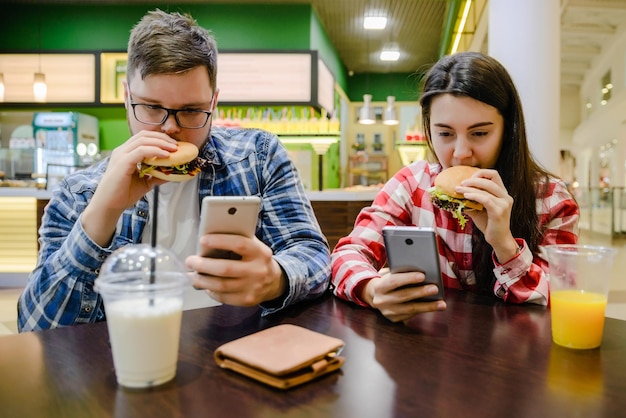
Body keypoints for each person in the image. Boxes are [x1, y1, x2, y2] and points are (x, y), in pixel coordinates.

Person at [18, 9, 331, 332]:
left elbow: (314, 255)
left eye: (192, 110)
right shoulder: (78, 192)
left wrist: (276, 278)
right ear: (127, 97)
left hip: (236, 359)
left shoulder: (258, 157)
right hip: (121, 362)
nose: (169, 128)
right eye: (152, 107)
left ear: (214, 103)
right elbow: (36, 326)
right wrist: (102, 212)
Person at [331, 52, 579, 323]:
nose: (461, 153)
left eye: (480, 133)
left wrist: (504, 244)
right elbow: (348, 253)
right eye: (445, 134)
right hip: (427, 350)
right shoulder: (412, 184)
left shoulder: (551, 198)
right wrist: (371, 289)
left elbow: (562, 299)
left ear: (509, 130)